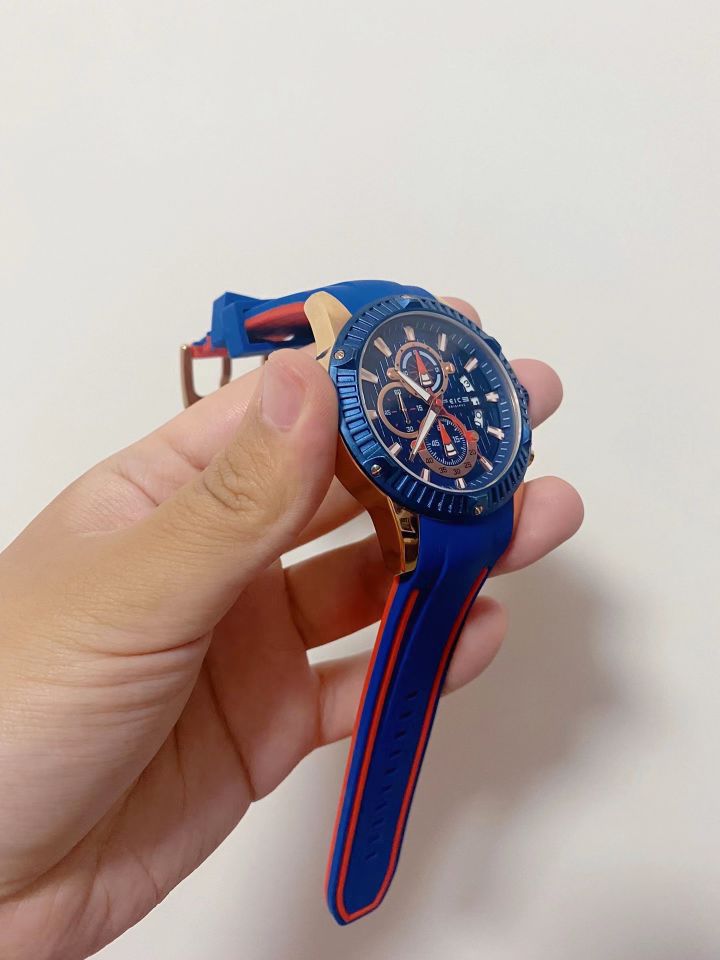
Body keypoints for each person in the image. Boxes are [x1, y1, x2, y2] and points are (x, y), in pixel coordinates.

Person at [0, 298, 583, 959]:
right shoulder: (344, 334)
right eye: (422, 394)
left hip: (468, 501)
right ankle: (232, 331)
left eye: (436, 392)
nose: (431, 399)